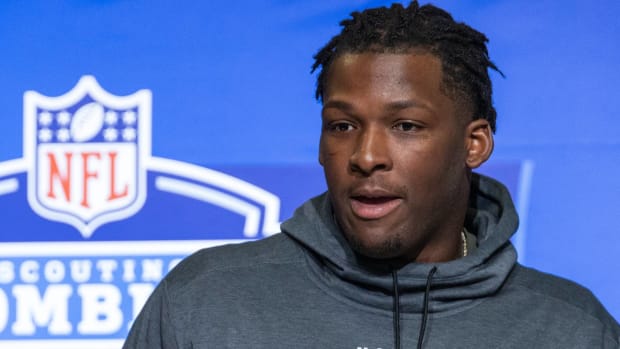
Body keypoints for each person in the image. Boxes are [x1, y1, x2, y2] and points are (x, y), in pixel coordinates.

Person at [123, 2, 620, 348]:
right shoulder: (205, 300)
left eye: (406, 126)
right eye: (342, 125)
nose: (365, 156)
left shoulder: (570, 329)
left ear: (474, 144)